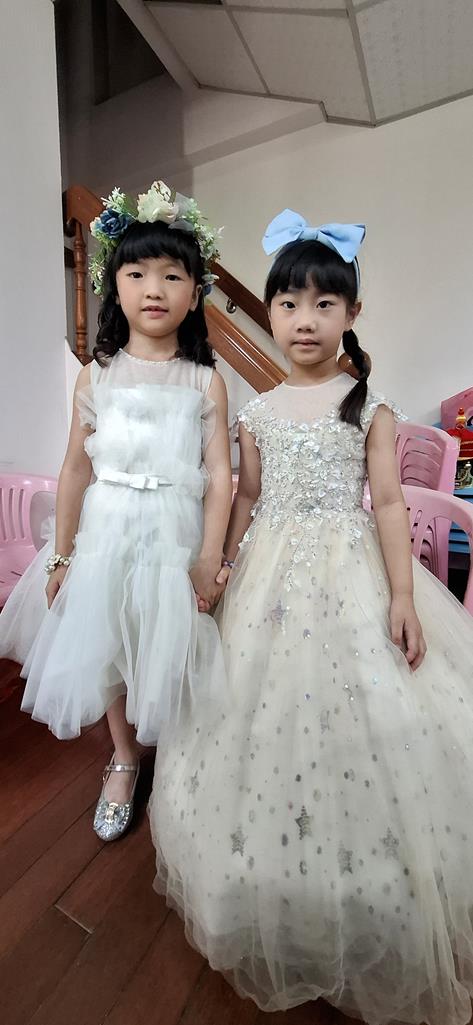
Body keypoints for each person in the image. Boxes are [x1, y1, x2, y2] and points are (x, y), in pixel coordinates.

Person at [150, 209, 473, 1025]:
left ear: (350, 314)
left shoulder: (369, 405)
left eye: (323, 304)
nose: (304, 319)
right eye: (289, 303)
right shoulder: (256, 412)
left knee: (375, 716)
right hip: (268, 573)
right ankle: (276, 877)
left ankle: (375, 887)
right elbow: (247, 496)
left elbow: (389, 504)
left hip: (350, 569)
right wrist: (221, 564)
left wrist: (402, 595)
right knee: (255, 715)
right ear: (269, 311)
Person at [0, 180, 232, 842]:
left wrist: (209, 556)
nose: (153, 288)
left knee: (170, 645)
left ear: (194, 293)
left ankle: (180, 761)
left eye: (171, 275)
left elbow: (220, 475)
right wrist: (63, 554)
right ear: (115, 285)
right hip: (106, 535)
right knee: (106, 644)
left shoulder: (204, 379)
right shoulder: (96, 374)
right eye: (137, 273)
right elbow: (76, 468)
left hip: (175, 536)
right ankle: (125, 757)